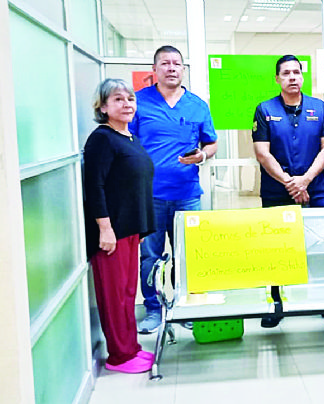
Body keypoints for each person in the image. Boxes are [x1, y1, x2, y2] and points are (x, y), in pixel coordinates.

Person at [129, 45, 218, 334]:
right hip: (148, 195)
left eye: (176, 64)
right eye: (164, 63)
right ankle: (153, 309)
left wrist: (203, 156)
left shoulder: (197, 104)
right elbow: (126, 140)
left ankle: (186, 305)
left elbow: (211, 142)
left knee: (189, 255)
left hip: (188, 194)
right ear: (154, 70)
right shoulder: (138, 103)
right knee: (150, 256)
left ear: (183, 69)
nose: (171, 68)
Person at [252, 54, 324, 328]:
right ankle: (275, 303)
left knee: (321, 247)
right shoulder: (264, 109)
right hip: (276, 192)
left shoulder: (320, 108)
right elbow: (262, 153)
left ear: (303, 77)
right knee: (276, 250)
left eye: (297, 72)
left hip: (314, 190)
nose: (292, 77)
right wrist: (290, 183)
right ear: (277, 79)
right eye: (286, 73)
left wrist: (304, 180)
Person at [83, 79, 156, 373]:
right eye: (118, 100)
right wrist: (105, 227)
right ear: (103, 107)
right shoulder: (102, 139)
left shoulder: (129, 137)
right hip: (111, 233)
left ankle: (131, 347)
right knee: (114, 296)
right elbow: (94, 186)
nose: (127, 104)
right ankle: (119, 357)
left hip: (130, 229)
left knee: (128, 292)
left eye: (131, 99)